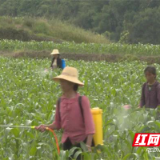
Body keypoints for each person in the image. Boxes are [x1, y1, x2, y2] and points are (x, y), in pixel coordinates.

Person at [35, 67, 95, 159]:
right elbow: (57, 124)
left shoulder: (82, 100)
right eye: (61, 81)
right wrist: (45, 127)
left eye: (63, 81)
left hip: (81, 144)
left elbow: (90, 126)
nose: (61, 84)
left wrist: (88, 146)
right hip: (67, 143)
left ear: (71, 84)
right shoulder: (60, 101)